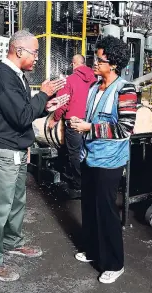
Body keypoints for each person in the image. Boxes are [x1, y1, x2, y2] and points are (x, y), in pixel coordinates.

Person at [0, 30, 69, 282]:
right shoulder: (0, 76)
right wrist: (43, 94)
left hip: (16, 149)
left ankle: (11, 242)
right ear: (18, 51)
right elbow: (20, 116)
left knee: (16, 202)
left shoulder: (16, 76)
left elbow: (22, 114)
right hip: (2, 152)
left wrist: (44, 107)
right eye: (35, 52)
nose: (37, 58)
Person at [70, 36, 137, 283]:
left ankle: (114, 263)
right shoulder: (93, 88)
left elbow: (125, 129)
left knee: (106, 211)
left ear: (114, 64)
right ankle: (93, 251)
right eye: (95, 58)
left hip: (109, 161)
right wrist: (76, 120)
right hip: (90, 156)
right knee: (88, 206)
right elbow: (91, 116)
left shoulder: (125, 89)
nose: (94, 63)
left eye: (100, 59)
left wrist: (89, 127)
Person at [49, 54, 96, 198]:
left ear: (74, 64)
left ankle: (77, 185)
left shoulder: (70, 80)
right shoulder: (94, 79)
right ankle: (91, 182)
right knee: (88, 152)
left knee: (74, 154)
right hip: (90, 123)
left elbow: (62, 102)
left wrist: (55, 119)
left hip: (74, 123)